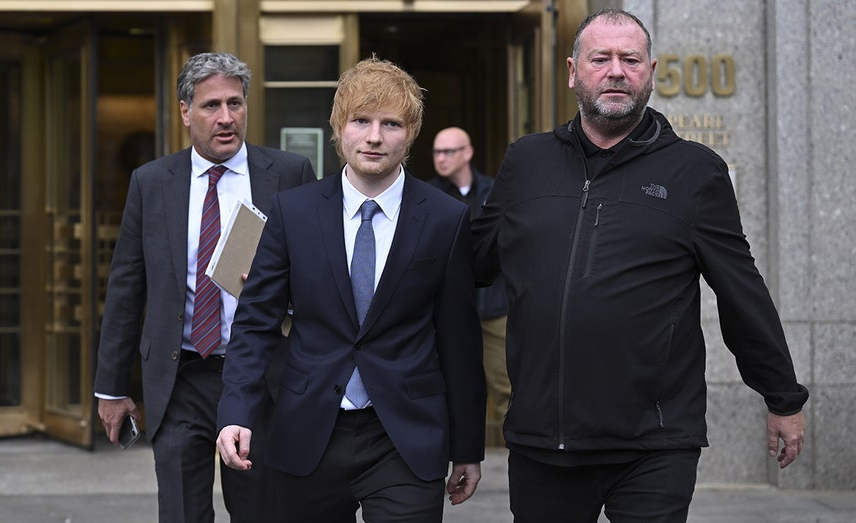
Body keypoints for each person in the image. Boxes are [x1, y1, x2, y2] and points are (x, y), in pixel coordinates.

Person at [472, 8, 808, 522]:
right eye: (600, 58)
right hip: (545, 440)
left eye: (630, 59)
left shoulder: (695, 172)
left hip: (655, 441)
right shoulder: (526, 161)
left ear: (651, 71)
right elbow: (471, 264)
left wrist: (782, 395)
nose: (615, 71)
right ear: (571, 71)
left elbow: (742, 289)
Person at [216, 56, 487, 522]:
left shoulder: (445, 219)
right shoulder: (294, 212)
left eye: (391, 123)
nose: (375, 136)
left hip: (404, 436)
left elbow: (459, 341)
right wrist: (235, 410)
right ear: (339, 128)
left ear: (412, 133)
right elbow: (255, 322)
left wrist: (467, 447)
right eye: (361, 121)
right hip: (309, 431)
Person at [94, 52, 316, 523]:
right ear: (184, 111)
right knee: (180, 513)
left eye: (235, 104)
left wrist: (283, 292)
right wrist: (111, 388)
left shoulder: (289, 175)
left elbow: (318, 278)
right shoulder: (152, 182)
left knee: (260, 510)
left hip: (259, 375)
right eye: (211, 105)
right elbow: (126, 287)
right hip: (181, 377)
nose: (226, 118)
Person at [428, 127, 510, 446]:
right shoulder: (428, 194)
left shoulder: (494, 191)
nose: (441, 158)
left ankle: (511, 459)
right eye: (436, 152)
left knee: (505, 386)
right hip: (448, 311)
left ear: (468, 153)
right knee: (447, 383)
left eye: (449, 151)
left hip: (494, 306)